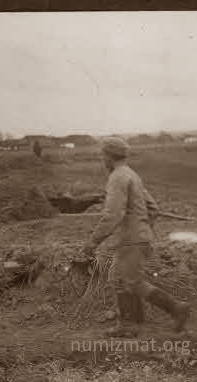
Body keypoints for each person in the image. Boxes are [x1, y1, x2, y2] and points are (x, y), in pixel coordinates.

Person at [81, 136, 189, 337]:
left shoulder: (116, 178)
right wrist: (143, 229)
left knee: (128, 281)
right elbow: (153, 208)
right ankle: (134, 322)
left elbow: (113, 214)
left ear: (108, 156)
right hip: (139, 238)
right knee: (122, 278)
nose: (101, 159)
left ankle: (175, 308)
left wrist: (93, 240)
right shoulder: (132, 175)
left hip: (130, 239)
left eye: (102, 155)